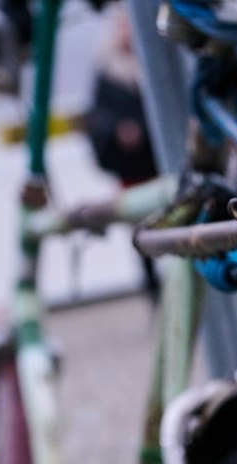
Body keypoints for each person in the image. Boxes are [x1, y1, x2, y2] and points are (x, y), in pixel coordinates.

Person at [85, 12, 160, 293]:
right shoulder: (108, 71)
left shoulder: (155, 64)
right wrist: (119, 130)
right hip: (133, 169)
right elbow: (98, 118)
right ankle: (155, 291)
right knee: (142, 233)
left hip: (160, 162)